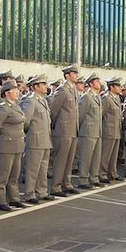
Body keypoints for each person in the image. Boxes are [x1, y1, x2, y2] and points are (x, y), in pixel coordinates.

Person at [0, 80, 29, 211]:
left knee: (14, 175)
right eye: (15, 90)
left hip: (17, 145)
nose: (18, 92)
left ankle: (14, 198)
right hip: (6, 145)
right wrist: (6, 135)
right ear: (7, 93)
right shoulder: (3, 107)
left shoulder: (16, 106)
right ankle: (1, 200)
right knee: (2, 175)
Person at [20, 74, 56, 204]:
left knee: (43, 169)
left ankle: (42, 191)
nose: (46, 87)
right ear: (36, 86)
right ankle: (29, 193)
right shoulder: (30, 101)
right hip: (35, 140)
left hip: (45, 139)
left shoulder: (43, 100)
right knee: (32, 169)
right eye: (43, 84)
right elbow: (25, 121)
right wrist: (31, 134)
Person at [49, 64, 81, 197]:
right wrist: (56, 127)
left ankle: (66, 183)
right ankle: (56, 186)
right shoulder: (62, 89)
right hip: (63, 130)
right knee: (61, 159)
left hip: (73, 130)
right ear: (67, 75)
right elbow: (54, 110)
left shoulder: (73, 89)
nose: (76, 75)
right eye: (74, 73)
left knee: (69, 159)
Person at [77, 73, 103, 188]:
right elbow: (80, 115)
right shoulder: (86, 97)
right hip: (87, 131)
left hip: (97, 131)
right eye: (97, 81)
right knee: (86, 156)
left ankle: (94, 177)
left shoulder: (97, 96)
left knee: (95, 157)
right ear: (91, 84)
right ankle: (83, 179)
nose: (99, 83)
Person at [99, 77, 124, 183]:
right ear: (111, 87)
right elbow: (101, 115)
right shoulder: (106, 98)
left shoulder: (117, 98)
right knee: (106, 154)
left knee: (114, 154)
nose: (120, 88)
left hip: (116, 130)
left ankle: (112, 172)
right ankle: (102, 173)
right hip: (108, 130)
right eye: (117, 86)